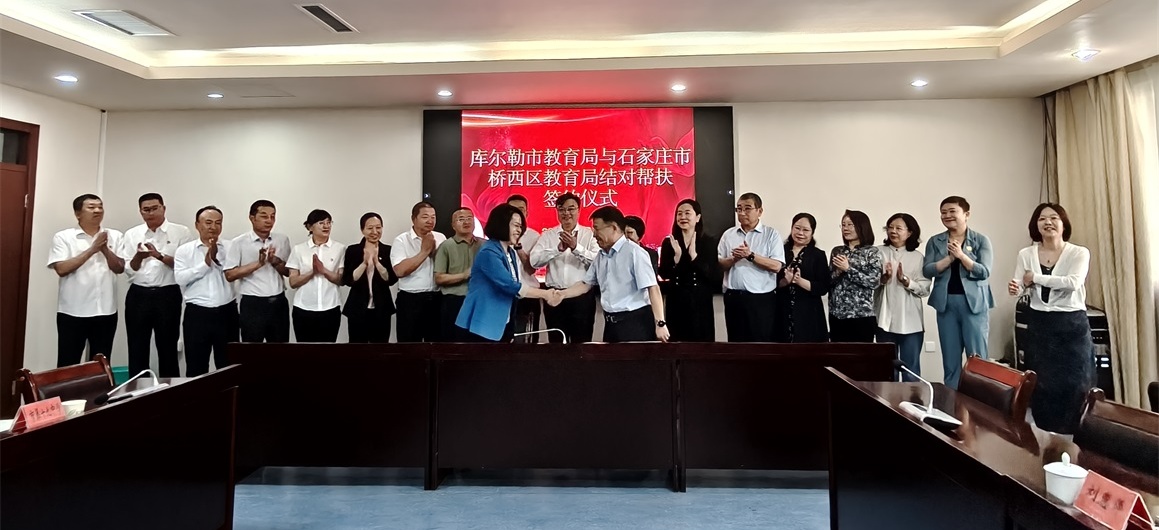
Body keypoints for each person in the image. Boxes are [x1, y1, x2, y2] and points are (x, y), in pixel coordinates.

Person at [1008, 203, 1093, 433]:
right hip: (1040, 323)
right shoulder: (1026, 254)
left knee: (1075, 382)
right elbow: (1021, 283)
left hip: (1071, 324)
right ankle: (1045, 434)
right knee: (1042, 382)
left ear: (1063, 224)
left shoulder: (1079, 252)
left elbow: (1072, 283)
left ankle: (1075, 434)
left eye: (1054, 218)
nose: (1048, 222)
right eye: (1042, 219)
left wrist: (1035, 278)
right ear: (1035, 225)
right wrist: (1016, 288)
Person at [558, 207, 670, 343]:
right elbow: (585, 284)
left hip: (635, 323)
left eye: (597, 229)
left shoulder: (634, 253)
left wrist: (660, 323)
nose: (594, 235)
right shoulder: (601, 255)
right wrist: (562, 294)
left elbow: (653, 287)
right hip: (611, 325)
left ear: (613, 227)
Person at [455, 204, 560, 342]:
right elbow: (509, 285)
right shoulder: (489, 252)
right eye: (516, 225)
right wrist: (545, 294)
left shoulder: (509, 251)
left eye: (520, 226)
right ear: (501, 225)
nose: (519, 230)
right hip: (482, 323)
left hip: (502, 320)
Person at [923, 196, 994, 389]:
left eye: (952, 211)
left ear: (966, 214)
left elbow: (984, 272)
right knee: (950, 359)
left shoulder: (981, 240)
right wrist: (949, 259)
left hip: (974, 305)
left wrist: (962, 256)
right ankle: (952, 399)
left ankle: (980, 400)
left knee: (977, 359)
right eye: (943, 212)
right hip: (946, 304)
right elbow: (927, 270)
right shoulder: (935, 241)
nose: (947, 215)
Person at [48, 194, 125, 367]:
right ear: (78, 214)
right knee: (68, 362)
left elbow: (119, 268)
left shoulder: (115, 236)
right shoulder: (63, 237)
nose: (97, 210)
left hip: (105, 310)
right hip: (73, 311)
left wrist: (104, 249)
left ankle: (99, 387)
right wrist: (92, 249)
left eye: (100, 206)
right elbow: (61, 269)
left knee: (101, 365)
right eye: (91, 207)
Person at [120, 193, 193, 376]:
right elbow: (129, 269)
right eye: (146, 210)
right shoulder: (132, 234)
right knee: (137, 347)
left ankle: (170, 389)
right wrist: (139, 256)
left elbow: (184, 265)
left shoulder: (181, 232)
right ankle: (138, 389)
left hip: (167, 294)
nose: (151, 213)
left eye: (155, 208)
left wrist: (158, 255)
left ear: (163, 208)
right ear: (140, 212)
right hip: (138, 295)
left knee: (168, 347)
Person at [174, 206, 238, 377]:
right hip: (197, 314)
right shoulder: (184, 250)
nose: (213, 227)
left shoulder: (231, 247)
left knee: (228, 365)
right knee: (196, 366)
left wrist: (216, 257)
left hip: (227, 312)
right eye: (208, 223)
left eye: (218, 223)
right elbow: (180, 279)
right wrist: (206, 263)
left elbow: (234, 273)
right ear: (197, 225)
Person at [530, 193, 600, 343]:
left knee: (582, 344)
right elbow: (534, 262)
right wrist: (557, 250)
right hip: (554, 296)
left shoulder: (590, 235)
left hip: (581, 298)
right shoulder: (548, 235)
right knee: (556, 343)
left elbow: (597, 262)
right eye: (561, 209)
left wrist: (576, 248)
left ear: (579, 210)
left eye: (571, 209)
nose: (566, 213)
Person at [717, 192, 784, 342]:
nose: (742, 213)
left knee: (761, 344)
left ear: (759, 211)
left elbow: (776, 266)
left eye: (747, 208)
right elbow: (720, 264)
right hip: (734, 298)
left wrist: (751, 256)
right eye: (739, 209)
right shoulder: (728, 235)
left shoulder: (771, 234)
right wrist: (734, 258)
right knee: (736, 345)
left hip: (761, 300)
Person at [224, 199, 292, 343]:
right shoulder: (238, 242)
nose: (269, 220)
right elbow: (230, 275)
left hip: (278, 302)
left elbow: (288, 272)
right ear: (252, 218)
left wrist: (275, 261)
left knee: (281, 350)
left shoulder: (282, 240)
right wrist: (258, 264)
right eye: (264, 216)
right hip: (252, 304)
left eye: (273, 216)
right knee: (252, 350)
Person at [875, 213, 932, 380]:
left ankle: (912, 398)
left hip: (911, 322)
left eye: (898, 228)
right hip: (884, 320)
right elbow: (868, 284)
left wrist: (906, 281)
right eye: (890, 227)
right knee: (886, 370)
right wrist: (884, 278)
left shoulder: (918, 257)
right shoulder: (878, 252)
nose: (893, 231)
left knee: (910, 371)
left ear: (910, 233)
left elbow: (925, 289)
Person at [658, 199, 720, 342]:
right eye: (679, 214)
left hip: (700, 301)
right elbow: (664, 273)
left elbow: (714, 275)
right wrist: (677, 259)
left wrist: (694, 257)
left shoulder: (708, 241)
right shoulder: (669, 242)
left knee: (701, 344)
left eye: (687, 213)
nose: (683, 217)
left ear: (697, 217)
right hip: (676, 300)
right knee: (676, 343)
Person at [391, 201, 446, 342]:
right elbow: (399, 271)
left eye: (433, 217)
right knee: (409, 345)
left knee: (435, 344)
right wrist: (424, 251)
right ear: (413, 219)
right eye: (425, 217)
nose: (430, 221)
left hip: (436, 298)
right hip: (410, 300)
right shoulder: (401, 240)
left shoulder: (441, 237)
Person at [287, 209, 345, 343]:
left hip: (330, 307)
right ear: (310, 227)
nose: (326, 226)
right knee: (305, 351)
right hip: (303, 308)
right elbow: (293, 282)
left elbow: (341, 280)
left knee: (327, 351)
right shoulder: (299, 249)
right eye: (321, 223)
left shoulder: (340, 249)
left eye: (329, 222)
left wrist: (323, 270)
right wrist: (312, 272)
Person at [773, 213, 830, 343]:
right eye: (797, 228)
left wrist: (798, 281)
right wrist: (785, 281)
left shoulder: (818, 255)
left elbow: (823, 287)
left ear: (812, 232)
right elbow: (770, 282)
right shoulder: (779, 251)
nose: (800, 233)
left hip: (809, 312)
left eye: (806, 230)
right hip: (782, 310)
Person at [343, 213, 398, 343]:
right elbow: (348, 280)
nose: (375, 232)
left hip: (382, 307)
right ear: (362, 230)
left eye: (378, 227)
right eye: (370, 228)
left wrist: (377, 263)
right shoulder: (353, 250)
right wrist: (364, 263)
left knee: (380, 348)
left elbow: (391, 279)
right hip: (357, 307)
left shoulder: (388, 250)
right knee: (357, 347)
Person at [829, 210, 882, 342]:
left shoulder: (872, 252)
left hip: (861, 315)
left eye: (850, 224)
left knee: (862, 354)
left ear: (861, 226)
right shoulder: (837, 251)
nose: (845, 228)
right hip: (837, 314)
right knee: (837, 353)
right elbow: (828, 281)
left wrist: (848, 269)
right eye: (843, 225)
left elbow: (874, 282)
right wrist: (838, 272)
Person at [435, 208, 483, 341]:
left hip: (479, 301)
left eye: (469, 218)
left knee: (478, 343)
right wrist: (464, 275)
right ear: (453, 225)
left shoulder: (484, 245)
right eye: (461, 219)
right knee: (454, 342)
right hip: (454, 302)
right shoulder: (446, 246)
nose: (466, 222)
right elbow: (439, 278)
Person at [507, 195, 543, 343]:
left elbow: (531, 269)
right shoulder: (498, 237)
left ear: (527, 213)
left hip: (529, 295)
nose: (517, 213)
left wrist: (518, 247)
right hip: (507, 294)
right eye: (513, 210)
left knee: (529, 339)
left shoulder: (534, 236)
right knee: (507, 338)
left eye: (521, 210)